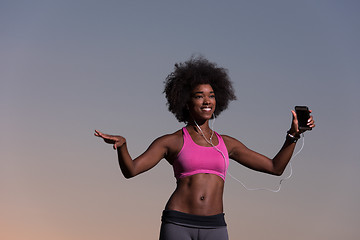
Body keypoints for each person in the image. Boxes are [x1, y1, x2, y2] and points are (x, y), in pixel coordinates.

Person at [94, 56, 315, 240]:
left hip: (216, 226)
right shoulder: (170, 141)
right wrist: (123, 146)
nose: (206, 101)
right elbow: (131, 170)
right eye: (199, 96)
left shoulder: (227, 144)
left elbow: (275, 167)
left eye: (211, 95)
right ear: (186, 102)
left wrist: (293, 136)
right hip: (178, 223)